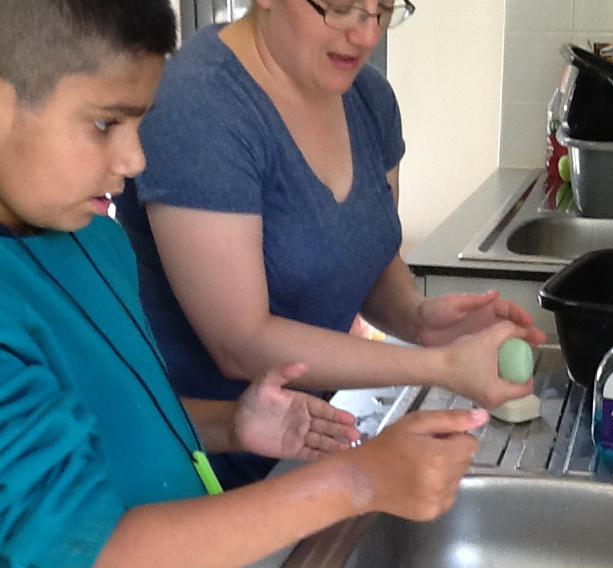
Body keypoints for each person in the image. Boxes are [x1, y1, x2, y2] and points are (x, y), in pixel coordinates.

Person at [0, 2, 490, 568]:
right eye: (106, 124)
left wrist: (230, 425)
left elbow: (108, 420)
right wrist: (356, 480)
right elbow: (100, 555)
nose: (135, 160)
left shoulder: (91, 238)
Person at [116, 0, 545, 488]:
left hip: (298, 451)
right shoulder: (198, 107)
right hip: (192, 471)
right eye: (341, 7)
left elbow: (367, 255)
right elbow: (241, 343)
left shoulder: (369, 100)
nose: (367, 35)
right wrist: (440, 366)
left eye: (383, 9)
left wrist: (419, 318)